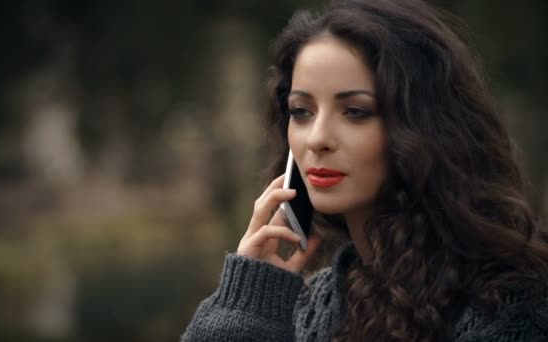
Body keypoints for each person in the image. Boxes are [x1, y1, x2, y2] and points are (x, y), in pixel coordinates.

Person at [181, 0, 548, 340]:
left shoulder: (512, 307)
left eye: (355, 112)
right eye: (301, 112)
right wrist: (247, 299)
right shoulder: (306, 307)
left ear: (425, 129)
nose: (317, 139)